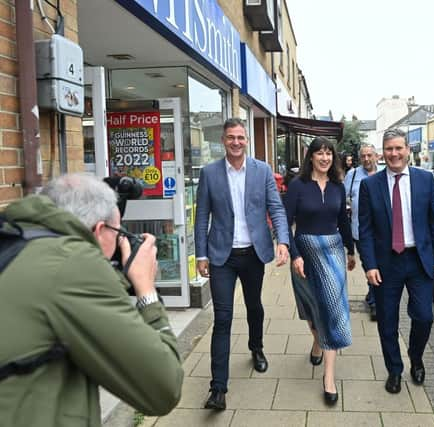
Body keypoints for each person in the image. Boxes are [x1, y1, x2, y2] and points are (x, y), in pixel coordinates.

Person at [0, 174, 183, 425]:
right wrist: (146, 289)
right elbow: (164, 388)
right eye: (118, 232)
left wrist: (115, 276)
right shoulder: (71, 264)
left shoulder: (19, 241)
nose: (121, 240)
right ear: (99, 230)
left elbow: (74, 303)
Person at [195, 118, 290, 411]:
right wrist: (201, 254)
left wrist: (283, 241)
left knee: (254, 306)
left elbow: (275, 206)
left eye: (241, 137)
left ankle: (256, 347)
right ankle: (218, 389)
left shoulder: (261, 170)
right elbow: (201, 217)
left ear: (246, 140)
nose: (236, 142)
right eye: (231, 138)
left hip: (253, 253)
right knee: (222, 318)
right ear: (223, 141)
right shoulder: (210, 173)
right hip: (221, 255)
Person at [358, 128, 434, 394]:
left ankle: (416, 356)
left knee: (424, 317)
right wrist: (369, 264)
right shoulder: (369, 185)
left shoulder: (425, 180)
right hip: (387, 264)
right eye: (389, 149)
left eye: (399, 148)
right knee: (387, 321)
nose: (394, 154)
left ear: (408, 150)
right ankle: (394, 370)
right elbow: (365, 230)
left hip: (419, 261)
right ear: (382, 153)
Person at [284, 136, 356, 406]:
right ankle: (317, 342)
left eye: (329, 153)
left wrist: (351, 250)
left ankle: (328, 378)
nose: (325, 158)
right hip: (305, 255)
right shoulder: (297, 186)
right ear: (310, 156)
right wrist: (294, 255)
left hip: (333, 253)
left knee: (332, 313)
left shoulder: (338, 186)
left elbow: (343, 221)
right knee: (311, 310)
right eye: (320, 153)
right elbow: (284, 223)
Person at [344, 143, 379, 321]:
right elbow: (344, 198)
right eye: (363, 156)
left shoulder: (383, 174)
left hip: (381, 231)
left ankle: (372, 295)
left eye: (369, 155)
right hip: (359, 229)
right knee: (369, 264)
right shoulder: (353, 174)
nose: (366, 159)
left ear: (376, 156)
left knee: (379, 265)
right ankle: (374, 303)